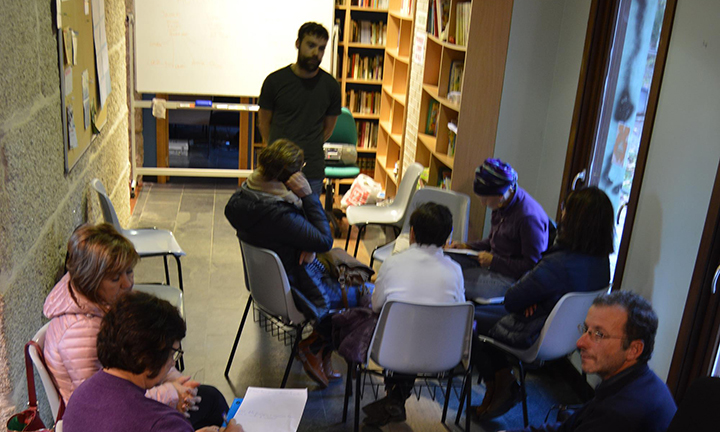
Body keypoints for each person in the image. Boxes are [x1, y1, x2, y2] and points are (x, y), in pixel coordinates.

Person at [43, 223, 228, 429]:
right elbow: (106, 405)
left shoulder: (101, 303)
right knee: (212, 405)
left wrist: (178, 383)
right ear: (91, 280)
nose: (127, 283)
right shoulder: (81, 335)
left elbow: (142, 359)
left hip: (132, 400)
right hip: (114, 420)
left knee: (209, 398)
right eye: (115, 278)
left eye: (129, 271)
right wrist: (172, 392)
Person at [471, 187, 614, 419]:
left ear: (574, 220)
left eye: (565, 209)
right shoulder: (602, 263)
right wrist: (535, 300)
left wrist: (533, 300)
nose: (561, 214)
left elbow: (512, 299)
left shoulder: (558, 263)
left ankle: (503, 384)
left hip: (536, 331)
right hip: (569, 336)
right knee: (485, 315)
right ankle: (501, 386)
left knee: (471, 318)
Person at [224, 139, 340, 388]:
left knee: (342, 275)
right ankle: (313, 347)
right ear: (292, 177)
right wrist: (308, 196)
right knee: (354, 295)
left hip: (264, 287)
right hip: (294, 287)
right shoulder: (280, 214)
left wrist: (306, 241)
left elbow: (306, 237)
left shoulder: (245, 195)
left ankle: (320, 353)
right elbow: (325, 240)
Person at [63, 291, 243, 432]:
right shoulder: (163, 423)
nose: (172, 363)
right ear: (147, 357)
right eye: (172, 354)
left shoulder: (79, 397)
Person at [502, 292, 677, 432]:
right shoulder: (637, 382)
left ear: (634, 350)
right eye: (586, 330)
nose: (580, 343)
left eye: (599, 334)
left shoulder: (620, 414)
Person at [362, 202, 465, 427]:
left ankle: (395, 397)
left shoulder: (392, 264)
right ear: (447, 238)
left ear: (412, 233)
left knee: (398, 328)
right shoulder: (455, 271)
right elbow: (458, 312)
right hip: (442, 355)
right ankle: (396, 398)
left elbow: (376, 306)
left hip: (391, 352)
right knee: (420, 331)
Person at [258, 22, 342, 196]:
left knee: (308, 214)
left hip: (311, 170)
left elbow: (328, 129)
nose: (315, 53)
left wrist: (309, 144)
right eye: (311, 45)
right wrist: (276, 151)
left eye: (321, 48)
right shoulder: (274, 82)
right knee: (272, 213)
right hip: (276, 169)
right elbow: (264, 123)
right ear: (298, 43)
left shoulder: (331, 86)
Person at [448, 158, 549, 299]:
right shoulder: (502, 204)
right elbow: (493, 241)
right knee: (446, 260)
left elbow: (532, 267)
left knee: (450, 280)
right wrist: (467, 246)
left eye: (485, 199)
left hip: (512, 281)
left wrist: (493, 261)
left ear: (501, 196)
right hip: (494, 265)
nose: (483, 204)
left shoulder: (529, 218)